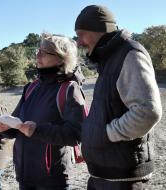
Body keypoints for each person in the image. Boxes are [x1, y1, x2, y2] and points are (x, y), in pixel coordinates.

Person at [74, 5, 162, 190]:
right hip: (105, 174)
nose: (79, 42)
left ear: (99, 30)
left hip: (123, 179)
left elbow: (148, 111)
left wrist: (106, 134)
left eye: (81, 34)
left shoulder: (129, 54)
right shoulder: (108, 58)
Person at [0, 33, 86, 190]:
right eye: (38, 50)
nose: (37, 54)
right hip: (25, 175)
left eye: (43, 52)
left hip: (53, 179)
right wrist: (5, 128)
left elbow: (76, 135)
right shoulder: (31, 87)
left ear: (61, 58)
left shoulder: (69, 89)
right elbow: (17, 123)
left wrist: (37, 130)